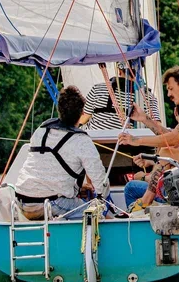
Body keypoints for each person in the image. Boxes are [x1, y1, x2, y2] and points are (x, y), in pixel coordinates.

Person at [13, 86, 109, 219]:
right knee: (97, 217)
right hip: (50, 203)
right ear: (82, 113)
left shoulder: (41, 130)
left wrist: (76, 189)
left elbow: (47, 171)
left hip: (21, 201)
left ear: (59, 109)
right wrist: (103, 201)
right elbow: (100, 180)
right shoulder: (81, 140)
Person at [84, 67, 158, 131]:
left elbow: (82, 119)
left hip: (95, 144)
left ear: (119, 70)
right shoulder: (149, 97)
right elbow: (158, 127)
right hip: (132, 145)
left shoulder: (97, 89)